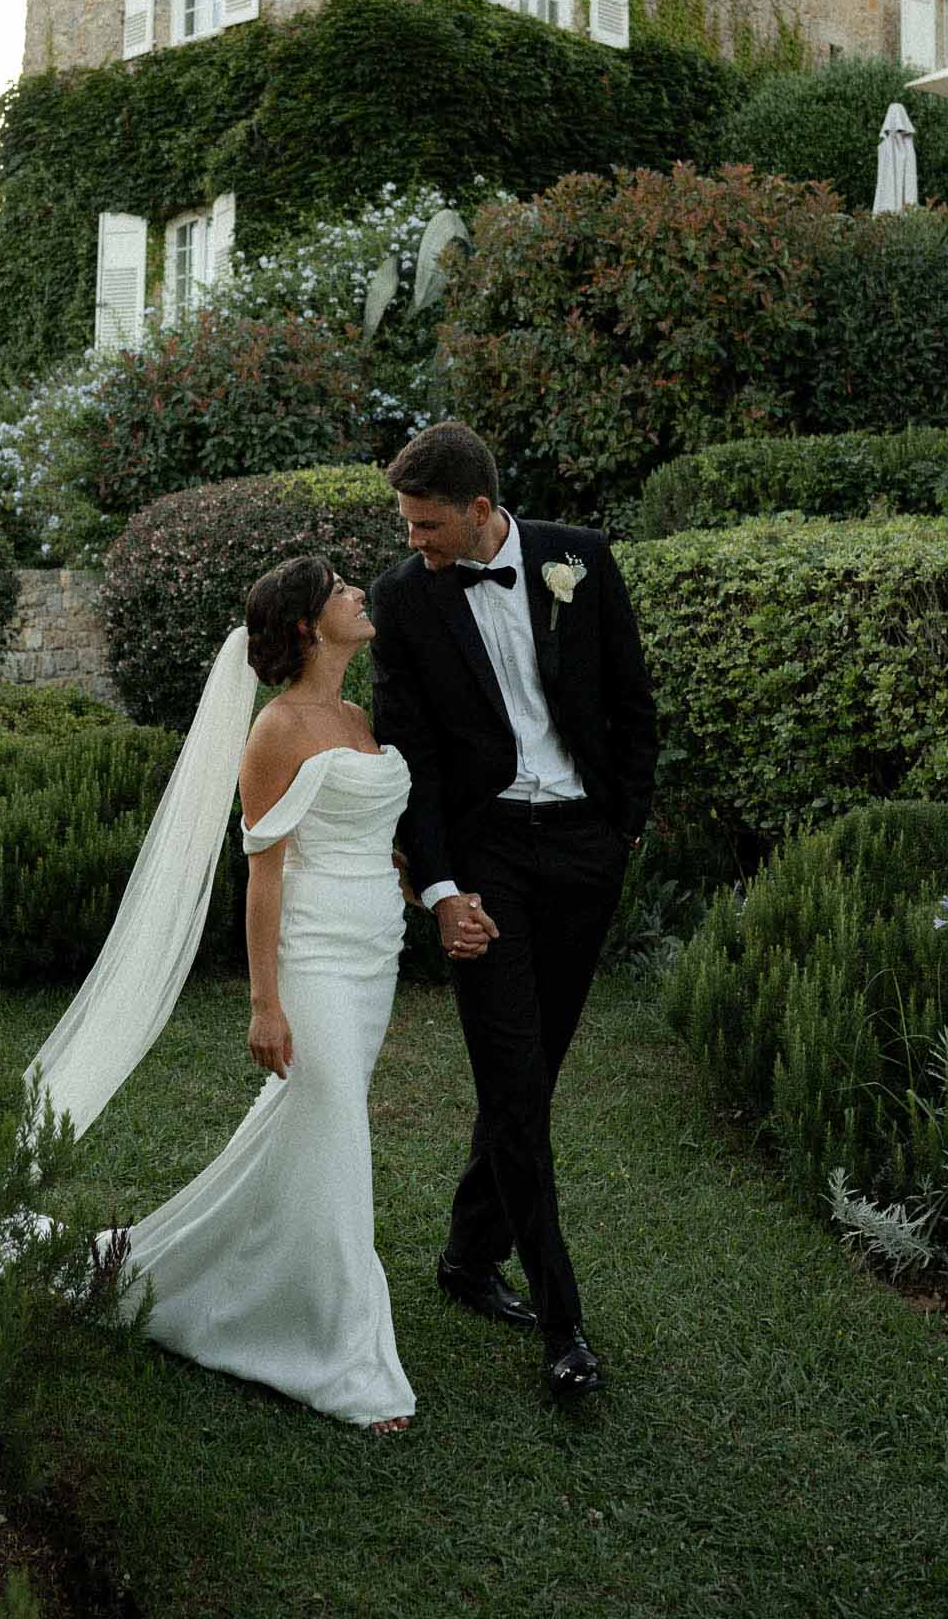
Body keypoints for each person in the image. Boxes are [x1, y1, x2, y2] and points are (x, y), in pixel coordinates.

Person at [23, 556, 415, 1433]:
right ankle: (343, 1357)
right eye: (339, 589)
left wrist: (404, 878)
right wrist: (264, 1004)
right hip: (313, 957)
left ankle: (188, 1268)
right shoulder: (275, 730)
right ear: (308, 625)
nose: (358, 593)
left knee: (307, 1127)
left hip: (374, 951)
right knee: (337, 1130)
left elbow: (357, 829)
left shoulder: (356, 716)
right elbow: (264, 876)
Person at [369, 422, 658, 1400]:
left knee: (530, 1076)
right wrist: (441, 888)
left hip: (583, 846)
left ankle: (465, 1254)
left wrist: (623, 827)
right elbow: (410, 754)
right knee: (515, 1080)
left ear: (482, 510)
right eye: (407, 523)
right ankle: (564, 1326)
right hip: (486, 859)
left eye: (427, 523)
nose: (413, 539)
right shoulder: (403, 598)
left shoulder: (582, 558)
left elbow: (631, 698)